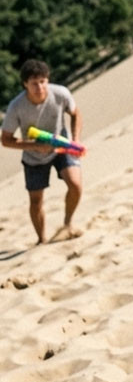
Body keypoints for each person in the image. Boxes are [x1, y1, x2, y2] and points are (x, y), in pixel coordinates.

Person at [2, 59, 84, 244]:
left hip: (62, 145)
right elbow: (5, 140)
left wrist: (75, 140)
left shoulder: (60, 93)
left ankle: (67, 225)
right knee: (36, 201)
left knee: (76, 184)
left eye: (42, 81)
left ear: (48, 80)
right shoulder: (16, 107)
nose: (39, 87)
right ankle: (42, 240)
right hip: (34, 156)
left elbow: (75, 113)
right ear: (25, 84)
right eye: (33, 83)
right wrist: (34, 146)